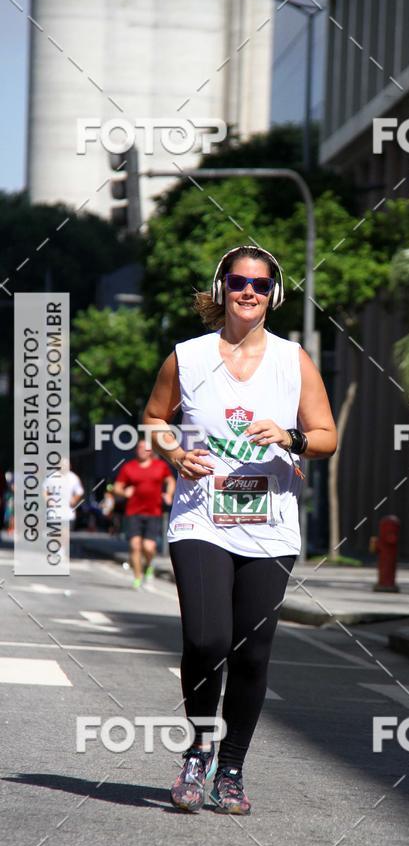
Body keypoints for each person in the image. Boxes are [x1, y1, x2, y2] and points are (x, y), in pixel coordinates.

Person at [143, 245, 337, 815]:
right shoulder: (188, 357)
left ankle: (231, 769)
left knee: (251, 655)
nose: (248, 291)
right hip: (201, 518)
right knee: (205, 640)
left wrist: (292, 437)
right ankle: (198, 750)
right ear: (222, 287)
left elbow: (326, 434)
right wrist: (175, 453)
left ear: (273, 293)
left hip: (269, 527)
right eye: (237, 281)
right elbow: (154, 418)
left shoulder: (292, 360)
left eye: (259, 283)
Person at [113, 439, 175, 589]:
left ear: (150, 451)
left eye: (145, 448)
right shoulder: (129, 468)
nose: (141, 450)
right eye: (139, 447)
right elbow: (117, 487)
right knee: (135, 546)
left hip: (154, 512)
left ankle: (148, 567)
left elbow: (171, 480)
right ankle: (137, 578)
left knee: (148, 547)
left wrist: (168, 494)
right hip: (133, 512)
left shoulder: (160, 466)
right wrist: (124, 492)